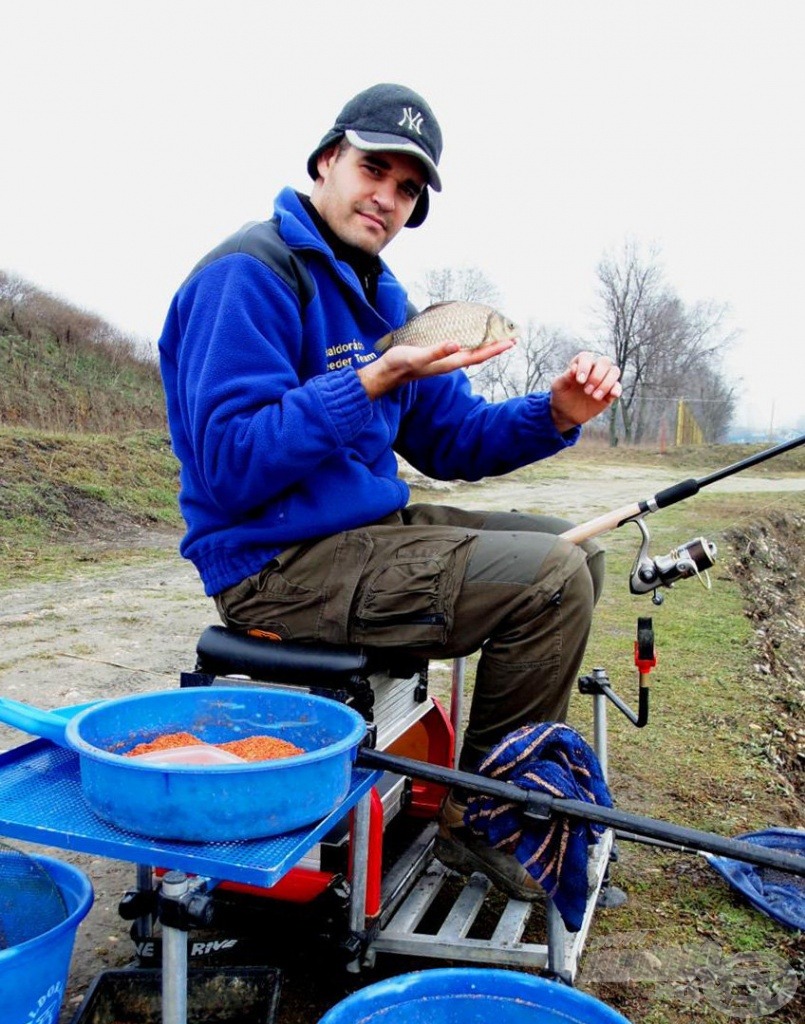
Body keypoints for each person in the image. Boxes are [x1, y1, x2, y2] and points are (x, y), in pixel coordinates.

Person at [158, 83, 622, 901]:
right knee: (546, 580)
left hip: (364, 534)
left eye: (408, 188)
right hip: (272, 564)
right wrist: (368, 381)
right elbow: (229, 463)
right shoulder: (250, 275)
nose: (388, 197)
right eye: (375, 168)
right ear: (326, 160)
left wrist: (554, 413)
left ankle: (497, 790)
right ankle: (487, 824)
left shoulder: (379, 295)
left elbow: (452, 439)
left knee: (574, 552)